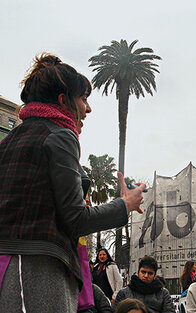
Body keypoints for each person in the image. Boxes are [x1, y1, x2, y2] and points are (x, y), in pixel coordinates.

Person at [0, 53, 146, 312]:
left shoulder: (9, 141)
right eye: (83, 99)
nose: (88, 109)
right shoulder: (61, 136)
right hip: (37, 271)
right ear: (62, 101)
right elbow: (75, 218)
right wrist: (124, 205)